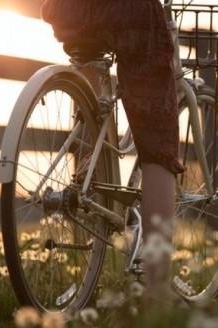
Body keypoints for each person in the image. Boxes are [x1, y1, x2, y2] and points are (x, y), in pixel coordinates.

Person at [41, 0, 185, 305]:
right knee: (158, 143)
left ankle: (90, 187)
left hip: (67, 9)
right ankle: (157, 293)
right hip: (129, 10)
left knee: (92, 100)